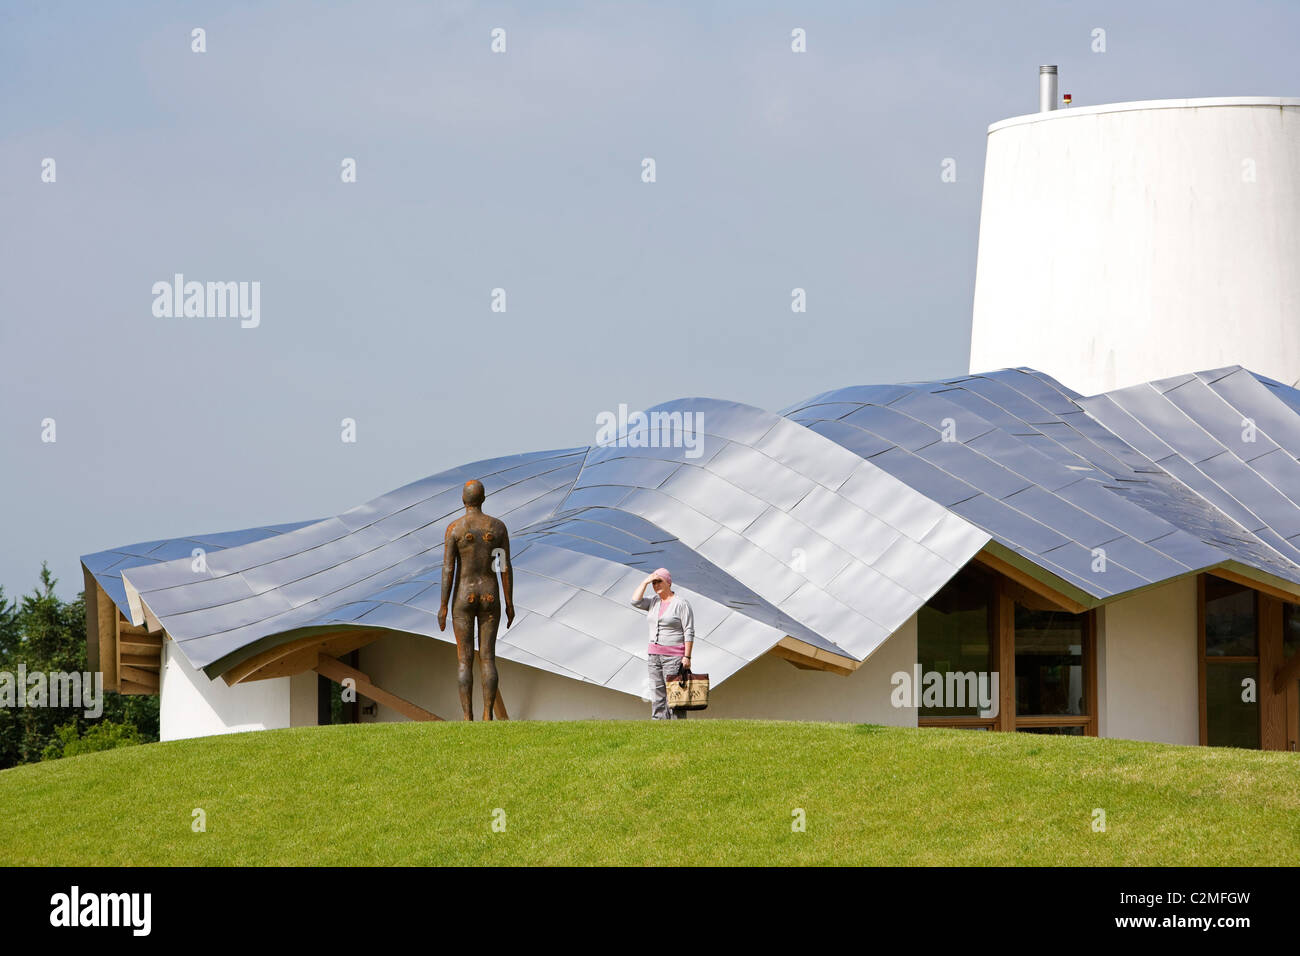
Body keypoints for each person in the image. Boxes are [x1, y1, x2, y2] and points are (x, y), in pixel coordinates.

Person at [438, 479, 515, 720]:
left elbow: (448, 569)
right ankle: (486, 715)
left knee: (464, 659)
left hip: (464, 594)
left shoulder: (455, 529)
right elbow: (504, 568)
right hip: (490, 594)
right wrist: (510, 602)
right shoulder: (498, 528)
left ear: (464, 500)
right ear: (483, 498)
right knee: (488, 657)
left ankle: (467, 717)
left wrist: (442, 605)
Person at [631, 567, 695, 719]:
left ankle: (677, 727)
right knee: (657, 692)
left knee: (674, 695)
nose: (656, 585)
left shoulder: (681, 603)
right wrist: (645, 582)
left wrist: (687, 657)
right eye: (654, 583)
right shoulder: (654, 602)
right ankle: (659, 725)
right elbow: (634, 601)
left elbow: (689, 630)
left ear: (668, 582)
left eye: (659, 581)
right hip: (654, 655)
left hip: (674, 657)